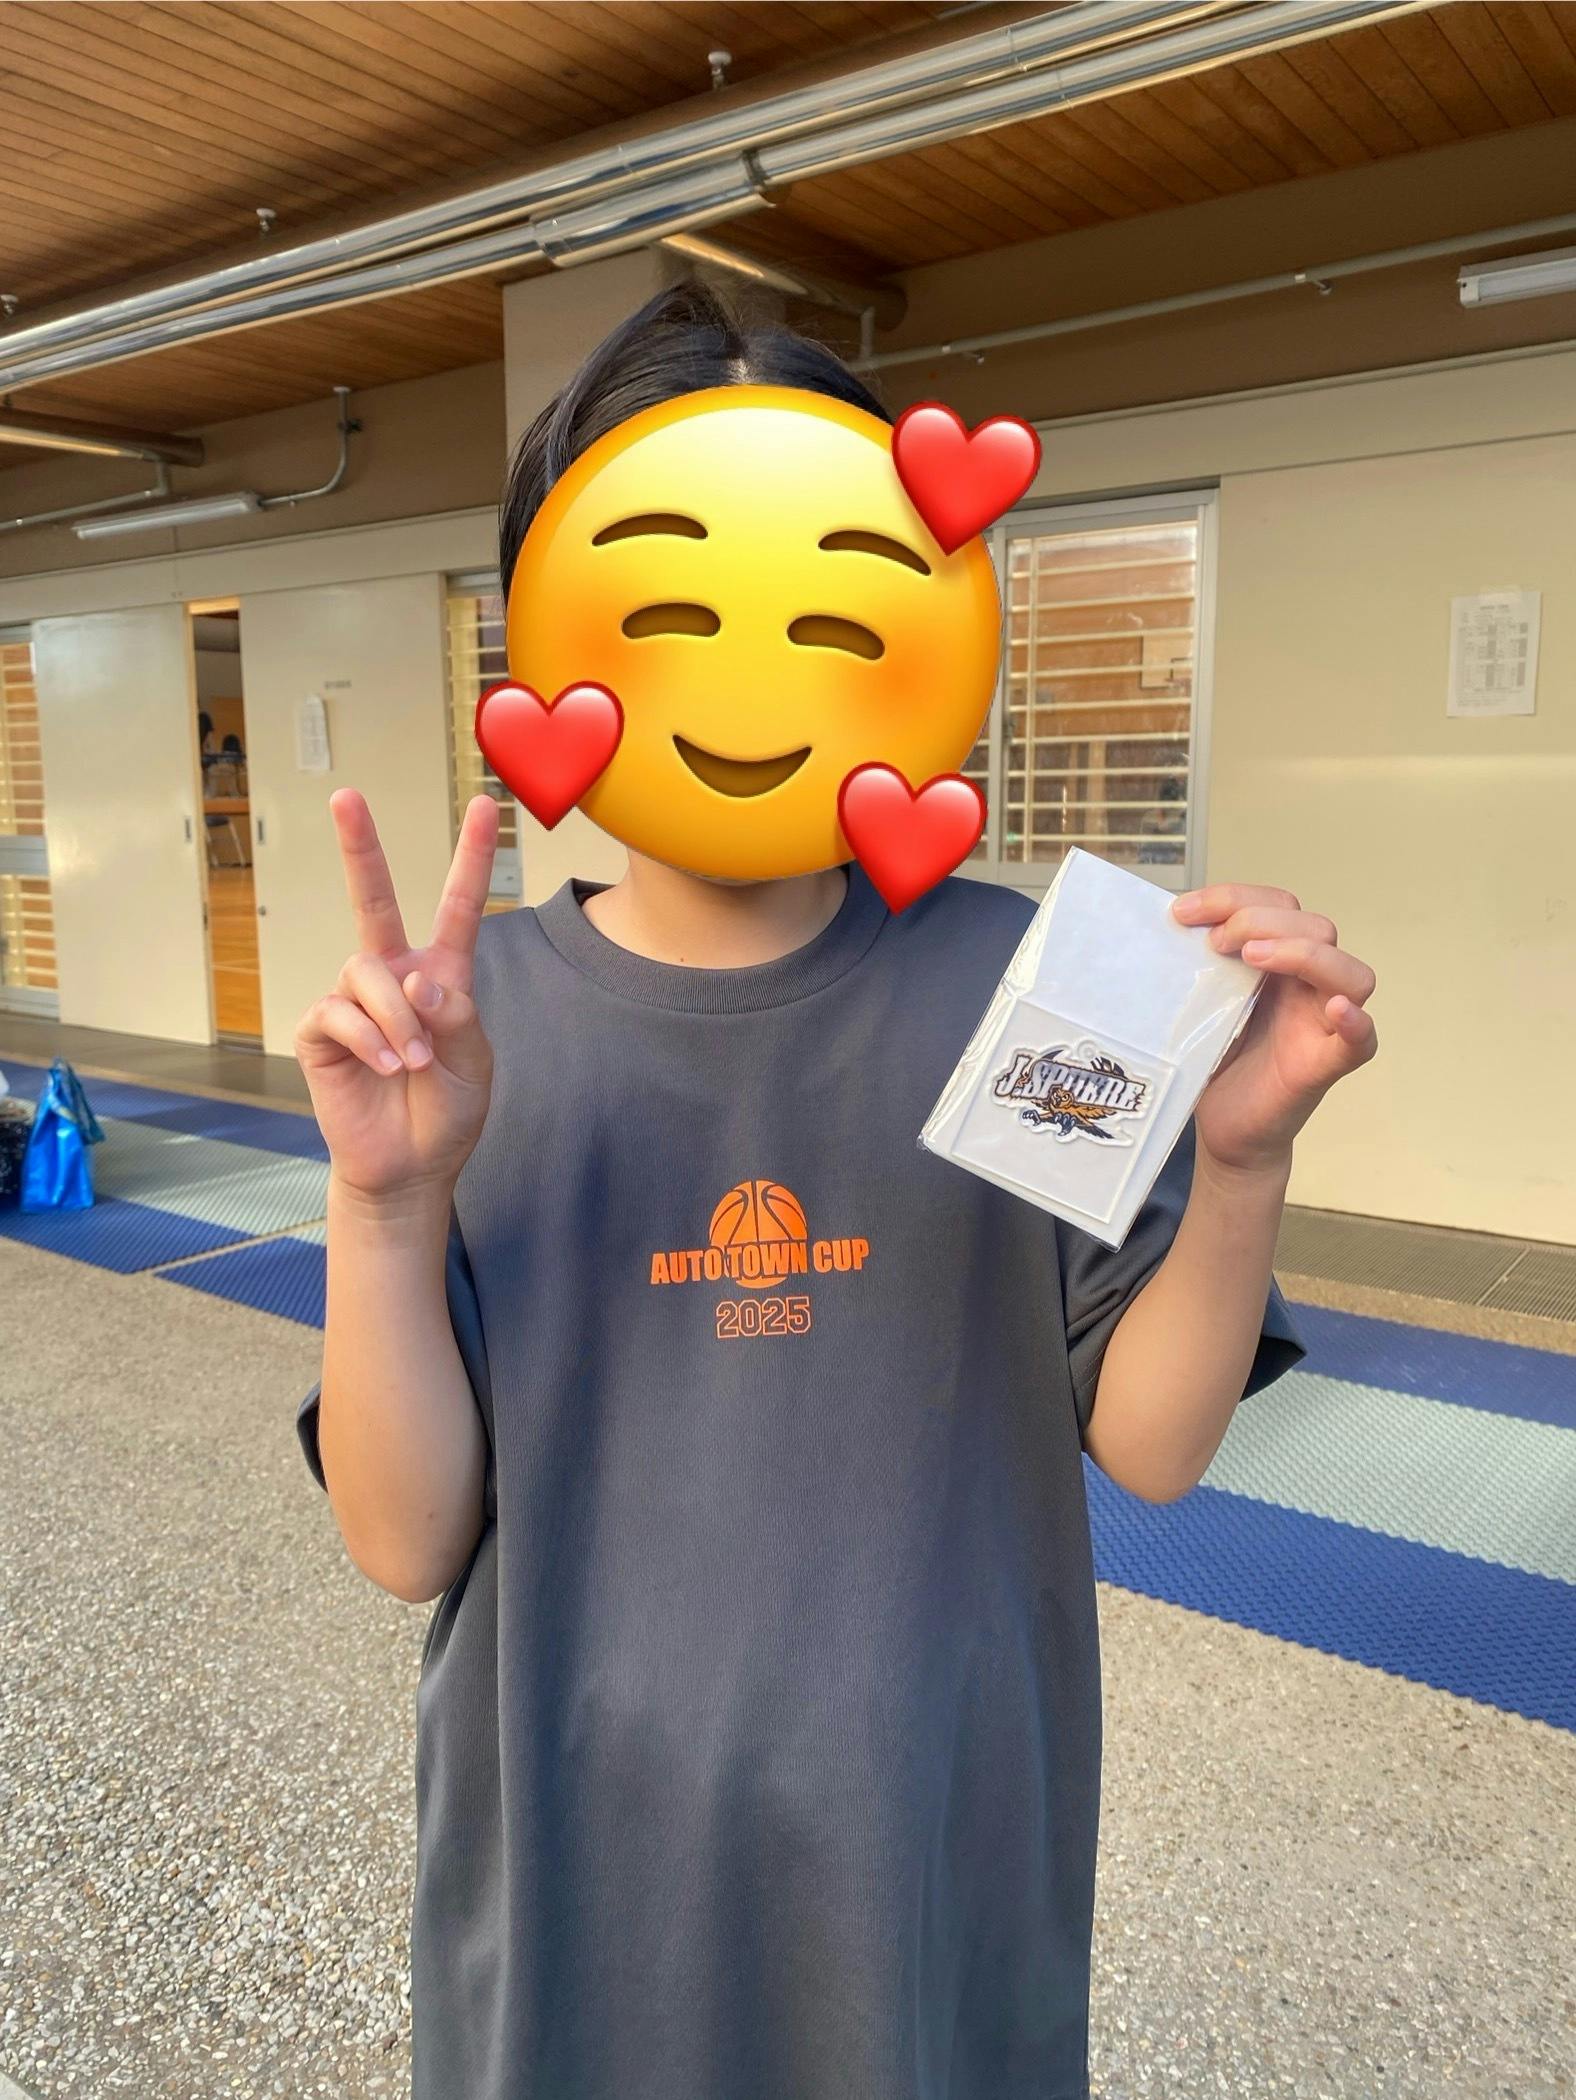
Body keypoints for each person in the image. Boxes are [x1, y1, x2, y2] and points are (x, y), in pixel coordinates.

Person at [292, 282, 1379, 2100]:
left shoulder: (1028, 993)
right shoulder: (465, 1042)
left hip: (929, 1870)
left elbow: (1152, 1444)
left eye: (824, 613)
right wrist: (386, 1210)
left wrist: (1244, 1157)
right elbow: (406, 1541)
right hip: (577, 1884)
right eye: (672, 615)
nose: (747, 676)